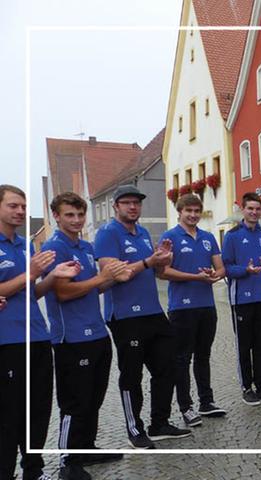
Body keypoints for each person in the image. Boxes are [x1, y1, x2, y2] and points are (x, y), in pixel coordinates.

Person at [94, 184, 191, 448]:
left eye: (136, 203)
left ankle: (159, 422)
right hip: (125, 315)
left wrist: (160, 259)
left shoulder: (144, 233)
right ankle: (134, 428)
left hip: (152, 311)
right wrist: (148, 261)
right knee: (132, 375)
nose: (133, 207)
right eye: (126, 203)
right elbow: (111, 274)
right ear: (116, 207)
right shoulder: (107, 234)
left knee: (167, 367)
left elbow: (155, 272)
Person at [42, 192, 129, 479]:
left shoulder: (87, 247)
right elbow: (63, 293)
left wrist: (112, 276)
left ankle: (87, 447)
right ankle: (68, 459)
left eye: (80, 215)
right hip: (72, 338)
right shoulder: (55, 248)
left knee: (94, 398)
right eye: (69, 215)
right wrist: (101, 279)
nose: (76, 220)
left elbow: (95, 287)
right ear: (56, 215)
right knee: (75, 401)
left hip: (97, 333)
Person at [0, 185, 80, 480]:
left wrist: (53, 277)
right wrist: (30, 273)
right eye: (12, 206)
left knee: (39, 411)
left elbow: (32, 292)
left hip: (38, 336)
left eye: (22, 206)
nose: (20, 211)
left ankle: (33, 470)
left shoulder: (25, 245)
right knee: (10, 415)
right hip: (7, 342)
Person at [158, 194, 227, 427]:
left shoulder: (208, 238)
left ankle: (206, 402)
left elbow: (221, 268)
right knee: (181, 359)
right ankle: (186, 407)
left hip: (207, 306)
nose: (193, 215)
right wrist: (195, 277)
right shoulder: (170, 237)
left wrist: (213, 276)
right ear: (179, 212)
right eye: (189, 210)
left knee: (203, 356)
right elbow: (163, 271)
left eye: (197, 211)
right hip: (182, 308)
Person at [222, 192, 261, 406]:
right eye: (250, 209)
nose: (254, 212)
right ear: (242, 210)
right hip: (241, 300)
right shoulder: (232, 236)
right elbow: (225, 268)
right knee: (245, 346)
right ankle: (247, 388)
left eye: (257, 209)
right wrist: (244, 270)